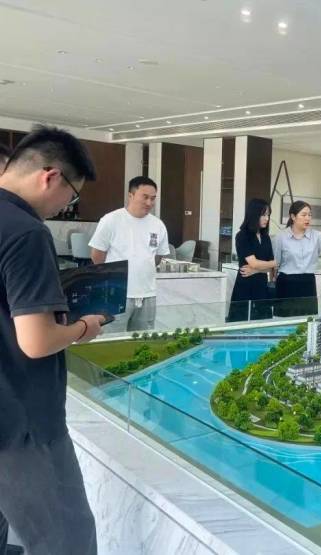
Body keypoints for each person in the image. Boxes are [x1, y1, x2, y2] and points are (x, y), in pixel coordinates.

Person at [0, 125, 103, 555]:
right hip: (21, 422)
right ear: (51, 176)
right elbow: (36, 341)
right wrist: (84, 328)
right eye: (71, 196)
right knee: (67, 540)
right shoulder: (26, 232)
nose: (66, 206)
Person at [89, 176, 170, 332]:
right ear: (130, 195)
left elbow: (158, 257)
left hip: (148, 293)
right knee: (113, 339)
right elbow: (97, 255)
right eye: (145, 197)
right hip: (117, 293)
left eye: (153, 198)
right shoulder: (111, 220)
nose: (149, 203)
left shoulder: (158, 225)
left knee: (143, 339)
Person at [227, 198, 275, 321]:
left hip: (262, 287)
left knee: (263, 322)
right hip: (245, 286)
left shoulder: (266, 237)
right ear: (254, 214)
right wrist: (272, 264)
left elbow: (270, 268)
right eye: (263, 215)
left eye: (268, 215)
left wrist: (257, 270)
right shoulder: (242, 236)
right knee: (241, 322)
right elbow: (253, 263)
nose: (267, 219)